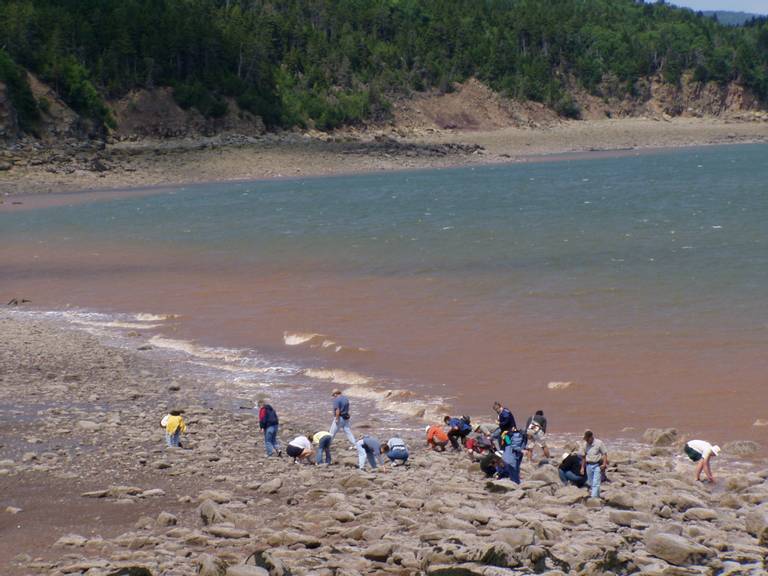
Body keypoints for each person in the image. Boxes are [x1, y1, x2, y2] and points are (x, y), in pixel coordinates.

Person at [580, 430, 608, 498]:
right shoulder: (585, 445)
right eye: (585, 439)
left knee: (596, 482)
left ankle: (593, 498)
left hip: (597, 465)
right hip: (588, 465)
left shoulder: (599, 443)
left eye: (587, 439)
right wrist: (582, 468)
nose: (586, 440)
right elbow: (583, 457)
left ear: (591, 437)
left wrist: (604, 464)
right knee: (591, 483)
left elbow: (604, 454)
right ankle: (597, 496)